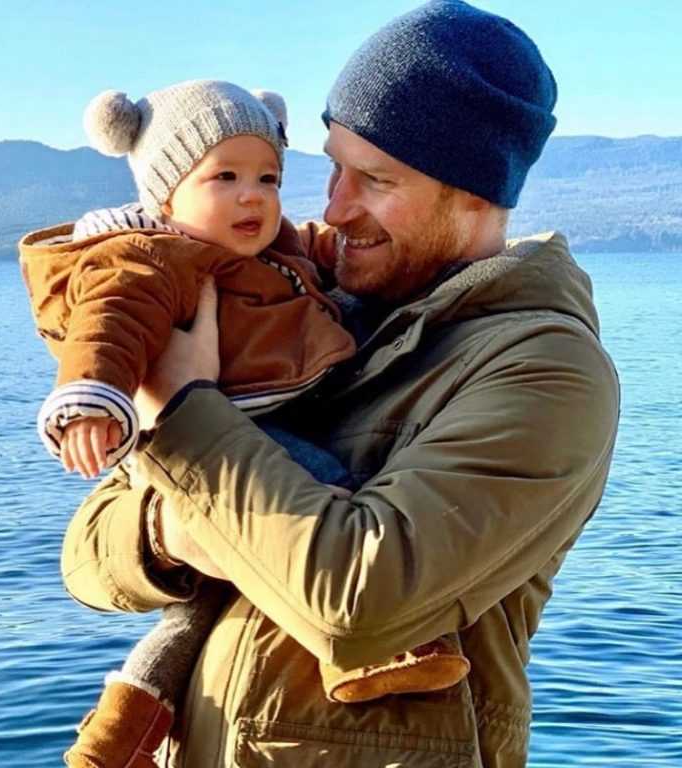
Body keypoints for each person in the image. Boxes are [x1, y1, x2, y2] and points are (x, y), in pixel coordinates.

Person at [61, 1, 620, 766]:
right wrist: (169, 533)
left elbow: (360, 605)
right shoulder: (306, 304)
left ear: (476, 192)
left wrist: (184, 414)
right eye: (332, 167)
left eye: (376, 180)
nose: (334, 207)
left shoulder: (544, 368)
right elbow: (86, 557)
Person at [20, 79, 469, 768]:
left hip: (229, 434)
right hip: (228, 430)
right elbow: (109, 325)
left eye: (268, 178)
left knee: (196, 609)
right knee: (329, 489)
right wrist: (91, 402)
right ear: (165, 193)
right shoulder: (148, 259)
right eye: (224, 177)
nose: (253, 196)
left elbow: (316, 250)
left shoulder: (266, 249)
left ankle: (121, 732)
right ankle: (388, 644)